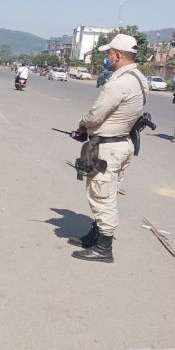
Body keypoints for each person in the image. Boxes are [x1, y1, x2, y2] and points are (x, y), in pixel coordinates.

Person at [67, 34, 149, 263]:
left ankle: (104, 247)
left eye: (108, 54)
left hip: (108, 148)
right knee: (106, 193)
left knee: (101, 196)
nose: (106, 58)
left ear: (117, 55)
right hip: (122, 144)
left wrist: (82, 126)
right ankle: (95, 235)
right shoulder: (140, 79)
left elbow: (96, 113)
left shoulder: (120, 82)